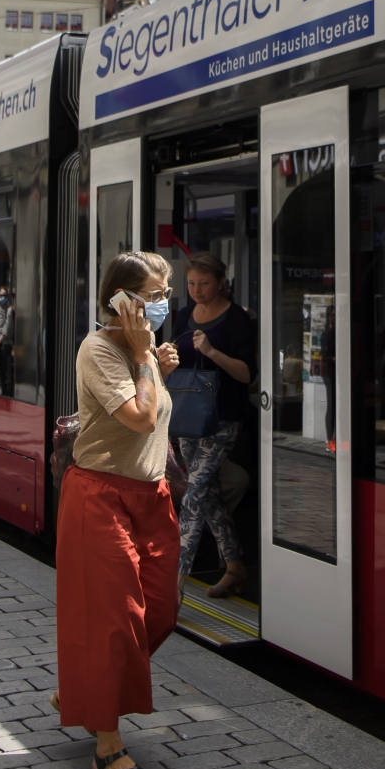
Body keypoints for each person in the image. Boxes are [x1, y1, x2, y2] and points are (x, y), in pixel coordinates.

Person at [54, 251, 182, 769]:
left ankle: (86, 688)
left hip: (151, 497)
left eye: (164, 293)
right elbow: (140, 417)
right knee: (113, 621)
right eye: (154, 295)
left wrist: (153, 365)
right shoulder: (100, 348)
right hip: (101, 495)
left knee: (160, 611)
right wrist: (147, 361)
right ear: (121, 301)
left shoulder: (139, 352)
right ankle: (107, 747)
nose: (163, 304)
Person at [169, 251, 255, 599]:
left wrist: (213, 352)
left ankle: (173, 583)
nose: (197, 290)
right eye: (191, 283)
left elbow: (247, 374)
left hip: (223, 418)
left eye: (204, 283)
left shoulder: (237, 319)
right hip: (188, 417)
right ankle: (234, 568)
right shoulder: (186, 315)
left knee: (194, 493)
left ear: (221, 282)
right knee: (210, 497)